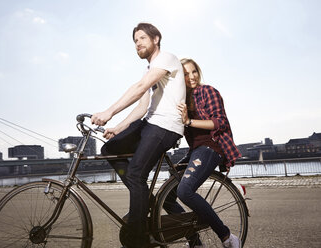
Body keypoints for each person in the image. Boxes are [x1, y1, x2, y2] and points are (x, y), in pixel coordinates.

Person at [91, 23, 186, 247]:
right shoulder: (150, 70)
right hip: (150, 122)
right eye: (135, 41)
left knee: (135, 175)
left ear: (156, 39)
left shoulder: (167, 59)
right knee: (109, 149)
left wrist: (109, 112)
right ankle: (145, 200)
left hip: (166, 126)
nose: (138, 43)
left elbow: (141, 87)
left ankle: (139, 236)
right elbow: (142, 107)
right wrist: (119, 127)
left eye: (142, 38)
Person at [174, 58, 242, 248]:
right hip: (195, 150)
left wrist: (188, 122)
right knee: (168, 195)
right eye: (186, 74)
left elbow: (219, 122)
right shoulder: (181, 100)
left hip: (212, 146)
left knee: (185, 191)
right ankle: (195, 242)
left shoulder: (207, 91)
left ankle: (227, 236)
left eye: (194, 71)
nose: (191, 77)